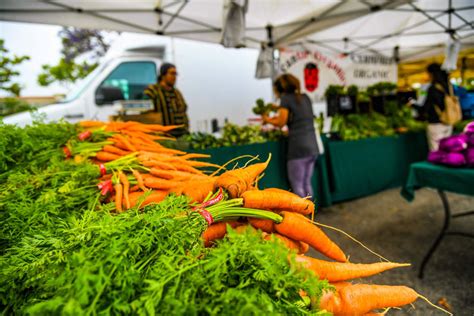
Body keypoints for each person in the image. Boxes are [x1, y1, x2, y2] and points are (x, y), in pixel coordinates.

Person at [262, 74, 318, 198]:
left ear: (279, 88)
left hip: (298, 148)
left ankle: (302, 215)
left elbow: (281, 122)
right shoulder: (305, 97)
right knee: (306, 183)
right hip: (312, 147)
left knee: (297, 185)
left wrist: (267, 119)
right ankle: (311, 211)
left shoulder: (286, 99)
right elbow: (298, 115)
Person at [414, 63, 453, 151]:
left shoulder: (432, 89)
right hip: (448, 121)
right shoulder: (448, 86)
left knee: (437, 151)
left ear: (431, 74)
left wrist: (413, 105)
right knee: (447, 149)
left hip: (436, 123)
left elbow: (425, 107)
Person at [144, 63, 189, 136]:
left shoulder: (177, 93)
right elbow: (146, 115)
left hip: (181, 135)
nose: (174, 77)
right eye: (172, 73)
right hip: (162, 135)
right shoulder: (152, 91)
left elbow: (184, 111)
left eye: (175, 74)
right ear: (163, 75)